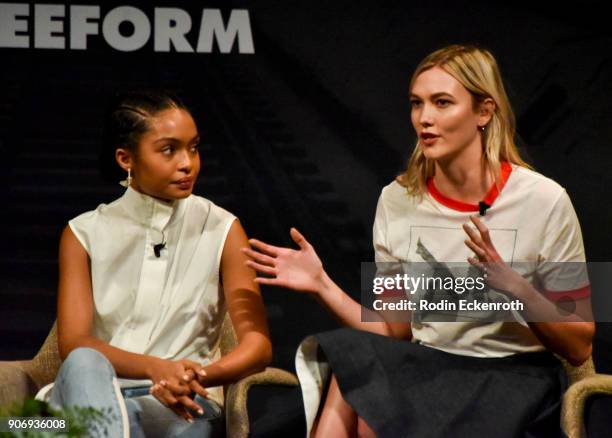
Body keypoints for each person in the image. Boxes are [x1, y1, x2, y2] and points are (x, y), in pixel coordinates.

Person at [243, 45, 595, 437]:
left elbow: (579, 345)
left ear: (483, 111)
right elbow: (394, 331)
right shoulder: (396, 200)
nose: (424, 118)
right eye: (416, 104)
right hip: (426, 368)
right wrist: (321, 285)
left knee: (370, 390)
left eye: (442, 103)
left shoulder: (545, 200)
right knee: (358, 365)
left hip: (514, 380)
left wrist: (514, 287)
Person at [37, 91, 272, 437]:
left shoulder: (223, 227)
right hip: (92, 393)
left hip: (182, 405)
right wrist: (155, 367)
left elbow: (258, 346)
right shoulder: (82, 233)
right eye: (169, 150)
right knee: (84, 363)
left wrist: (191, 376)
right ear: (125, 158)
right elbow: (74, 343)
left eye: (193, 148)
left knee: (27, 427)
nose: (187, 163)